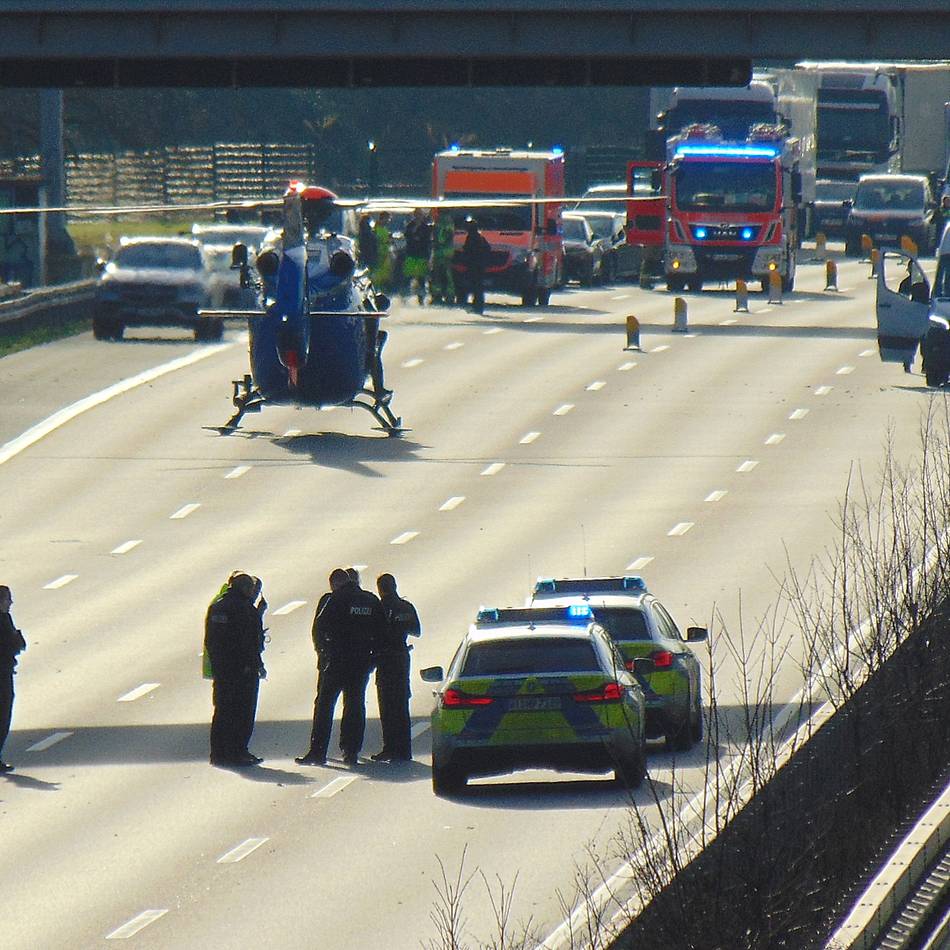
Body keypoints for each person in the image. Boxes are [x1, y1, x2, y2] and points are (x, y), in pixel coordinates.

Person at [297, 568, 384, 766]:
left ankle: (318, 752)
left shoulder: (335, 600)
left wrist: (324, 654)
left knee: (325, 706)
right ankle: (351, 751)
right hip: (361, 663)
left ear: (335, 584)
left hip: (337, 662)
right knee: (355, 705)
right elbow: (382, 632)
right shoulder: (370, 600)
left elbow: (320, 628)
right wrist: (373, 660)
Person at [204, 573, 267, 767]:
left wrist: (218, 664)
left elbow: (210, 640)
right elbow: (250, 642)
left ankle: (218, 753)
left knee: (222, 710)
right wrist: (256, 665)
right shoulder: (245, 610)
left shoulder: (217, 606)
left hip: (222, 670)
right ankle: (238, 751)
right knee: (242, 712)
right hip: (242, 671)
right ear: (246, 589)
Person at [371, 574, 421, 762]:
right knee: (401, 703)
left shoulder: (379, 607)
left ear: (380, 589)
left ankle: (390, 747)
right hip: (401, 657)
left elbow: (372, 632)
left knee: (387, 704)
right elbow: (416, 630)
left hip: (385, 658)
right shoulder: (406, 607)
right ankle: (405, 749)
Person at [0, 586, 26, 773]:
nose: (10, 603)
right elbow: (13, 643)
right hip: (2, 674)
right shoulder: (2, 620)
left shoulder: (5, 618)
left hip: (5, 670)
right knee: (2, 714)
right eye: (7, 599)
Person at [461, 217, 493, 314]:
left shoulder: (472, 237)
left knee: (476, 287)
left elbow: (468, 250)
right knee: (478, 287)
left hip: (474, 266)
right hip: (479, 266)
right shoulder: (480, 237)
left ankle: (477, 307)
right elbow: (488, 248)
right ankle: (478, 307)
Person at [403, 208, 432, 305]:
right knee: (408, 276)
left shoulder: (425, 228)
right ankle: (405, 297)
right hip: (411, 254)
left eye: (419, 215)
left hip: (422, 255)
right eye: (416, 215)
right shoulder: (410, 226)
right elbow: (407, 236)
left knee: (421, 278)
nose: (418, 217)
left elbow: (427, 242)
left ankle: (421, 298)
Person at [429, 212, 456, 306]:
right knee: (448, 276)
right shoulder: (449, 222)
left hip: (441, 254)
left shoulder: (441, 223)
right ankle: (450, 296)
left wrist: (434, 240)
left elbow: (441, 239)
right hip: (448, 253)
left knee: (437, 276)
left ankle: (437, 296)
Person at [371, 211, 394, 293]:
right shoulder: (376, 229)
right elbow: (376, 241)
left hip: (385, 253)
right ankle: (376, 290)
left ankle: (381, 290)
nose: (388, 221)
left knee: (385, 274)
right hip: (379, 254)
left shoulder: (384, 229)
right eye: (387, 219)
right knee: (378, 274)